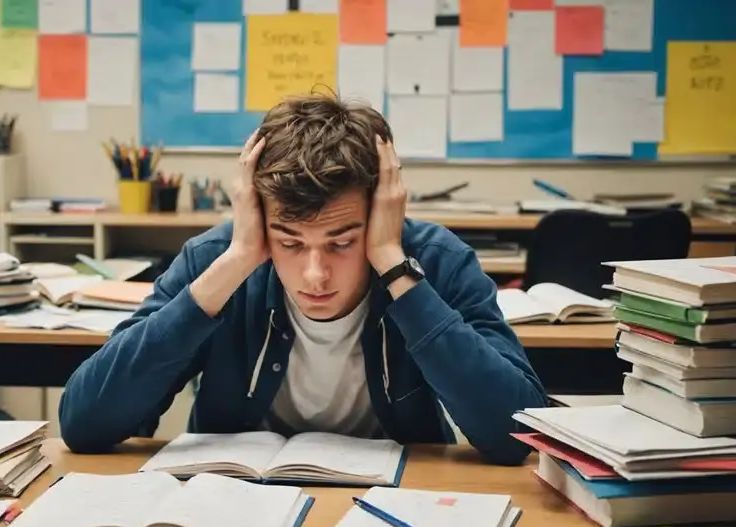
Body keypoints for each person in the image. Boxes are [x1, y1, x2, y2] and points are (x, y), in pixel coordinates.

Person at [59, 94, 546, 465]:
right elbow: (84, 424)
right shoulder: (215, 260)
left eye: (341, 241)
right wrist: (237, 261)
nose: (315, 275)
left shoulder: (435, 262)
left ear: (383, 211)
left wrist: (393, 264)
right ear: (257, 215)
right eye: (290, 242)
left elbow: (514, 437)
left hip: (395, 503)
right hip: (236, 505)